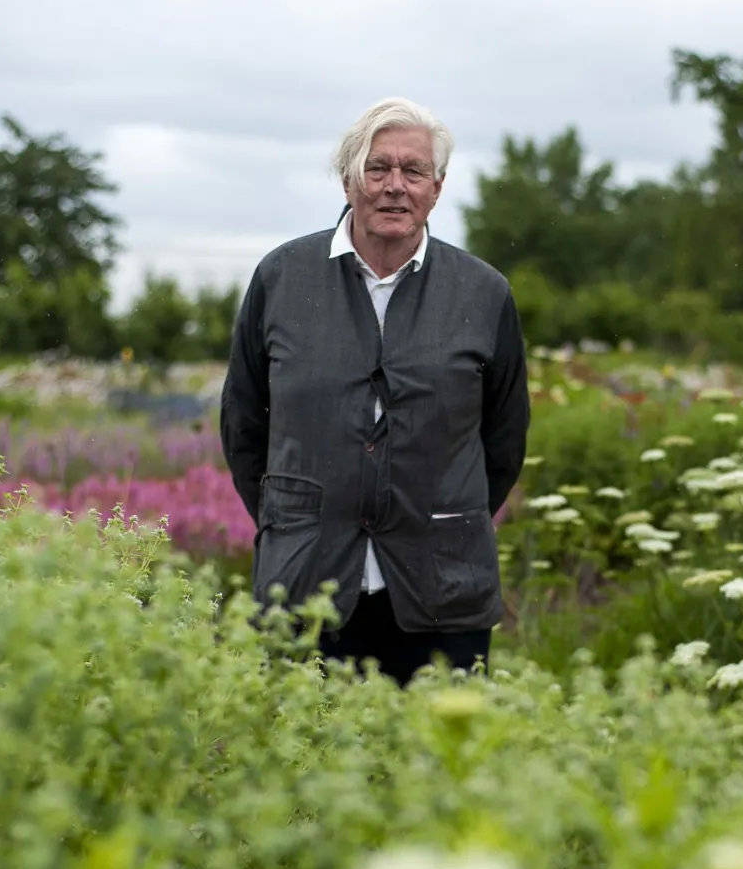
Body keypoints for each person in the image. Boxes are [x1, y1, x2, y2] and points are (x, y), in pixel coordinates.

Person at [220, 97, 529, 685]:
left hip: (444, 593)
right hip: (306, 585)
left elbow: (504, 437)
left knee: (436, 768)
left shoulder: (484, 293)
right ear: (347, 178)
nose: (395, 186)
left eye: (413, 171)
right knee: (307, 761)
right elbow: (244, 424)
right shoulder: (281, 278)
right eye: (377, 168)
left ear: (437, 187)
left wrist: (445, 519)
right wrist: (292, 521)